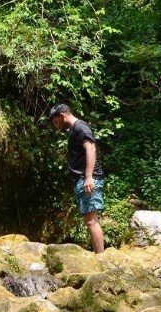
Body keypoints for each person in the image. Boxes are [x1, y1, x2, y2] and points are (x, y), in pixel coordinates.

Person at [49, 103, 105, 253]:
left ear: (62, 116)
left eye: (56, 122)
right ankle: (99, 256)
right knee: (90, 221)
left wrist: (88, 177)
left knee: (92, 221)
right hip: (82, 179)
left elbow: (91, 147)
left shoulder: (80, 127)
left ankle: (101, 259)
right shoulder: (75, 129)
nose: (56, 126)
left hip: (88, 179)